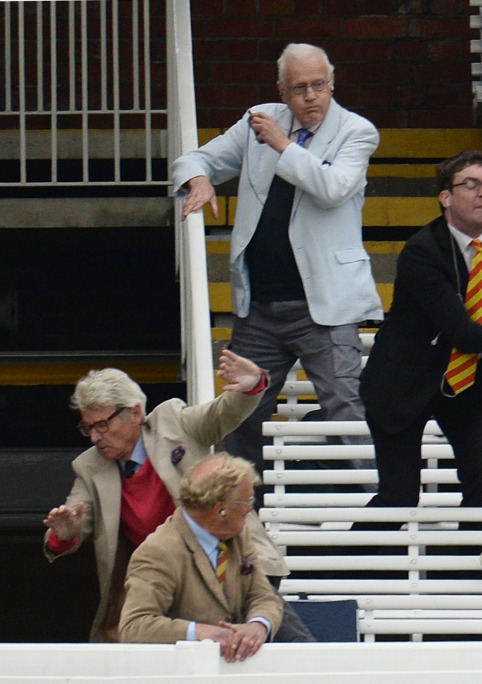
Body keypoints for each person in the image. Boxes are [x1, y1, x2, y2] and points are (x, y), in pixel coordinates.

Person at [171, 43, 383, 467]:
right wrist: (200, 179)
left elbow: (332, 189)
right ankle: (245, 504)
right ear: (282, 91)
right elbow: (193, 159)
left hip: (326, 306)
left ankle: (372, 505)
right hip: (260, 309)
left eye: (319, 85)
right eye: (299, 87)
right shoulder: (259, 121)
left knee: (345, 410)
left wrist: (284, 145)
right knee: (241, 416)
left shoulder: (357, 131)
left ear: (332, 84)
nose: (311, 96)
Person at [358, 151, 482, 515]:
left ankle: (473, 554)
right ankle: (351, 555)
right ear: (446, 197)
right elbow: (460, 331)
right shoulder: (421, 251)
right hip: (404, 382)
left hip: (468, 382)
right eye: (471, 184)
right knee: (399, 498)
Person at [42, 353, 290, 643]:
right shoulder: (89, 467)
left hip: (235, 561)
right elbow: (71, 521)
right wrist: (63, 534)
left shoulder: (172, 422)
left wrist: (252, 386)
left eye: (102, 425)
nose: (94, 437)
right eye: (88, 428)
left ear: (135, 413)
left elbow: (220, 415)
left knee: (290, 644)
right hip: (176, 581)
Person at [119, 455, 284, 661]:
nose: (250, 508)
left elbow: (263, 596)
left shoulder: (238, 534)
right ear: (220, 510)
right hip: (181, 669)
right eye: (246, 501)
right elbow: (134, 626)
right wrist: (198, 632)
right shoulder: (158, 551)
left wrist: (258, 625)